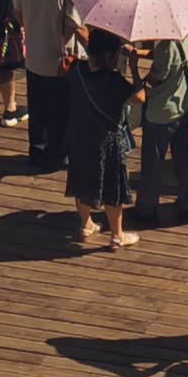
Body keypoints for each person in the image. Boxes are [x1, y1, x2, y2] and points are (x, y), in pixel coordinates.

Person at [63, 30, 138, 251]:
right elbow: (140, 97)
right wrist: (132, 66)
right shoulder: (113, 81)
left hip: (79, 135)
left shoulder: (76, 69)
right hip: (107, 141)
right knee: (112, 189)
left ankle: (86, 225)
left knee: (81, 180)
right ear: (110, 54)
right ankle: (117, 236)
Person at [14, 0, 82, 165]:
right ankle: (58, 153)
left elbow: (16, 9)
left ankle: (37, 148)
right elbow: (75, 23)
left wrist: (30, 27)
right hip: (58, 61)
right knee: (61, 108)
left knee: (37, 105)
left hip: (33, 55)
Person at [137, 25, 188, 226]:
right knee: (183, 161)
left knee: (152, 165)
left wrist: (133, 65)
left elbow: (154, 78)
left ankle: (147, 210)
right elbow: (172, 61)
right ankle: (185, 204)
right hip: (182, 108)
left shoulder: (167, 46)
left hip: (160, 114)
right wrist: (143, 52)